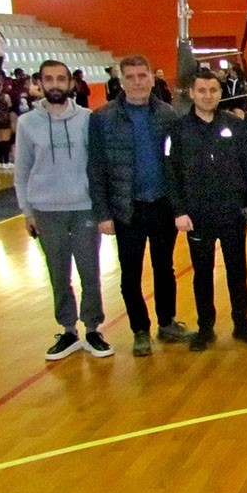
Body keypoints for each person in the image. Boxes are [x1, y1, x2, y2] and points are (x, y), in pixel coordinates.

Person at [88, 54, 190, 357]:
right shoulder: (102, 118)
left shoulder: (168, 114)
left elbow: (178, 163)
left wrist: (179, 205)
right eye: (130, 77)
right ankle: (140, 330)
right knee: (130, 274)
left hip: (162, 205)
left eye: (142, 76)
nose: (136, 82)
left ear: (151, 78)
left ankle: (167, 322)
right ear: (121, 81)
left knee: (164, 268)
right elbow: (96, 168)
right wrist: (103, 213)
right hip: (126, 208)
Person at [14, 59, 113, 360]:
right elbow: (22, 170)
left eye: (61, 79)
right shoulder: (27, 123)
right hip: (46, 211)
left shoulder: (87, 119)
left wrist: (102, 208)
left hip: (84, 208)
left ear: (70, 83)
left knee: (90, 271)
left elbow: (98, 166)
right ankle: (68, 331)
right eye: (49, 79)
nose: (55, 84)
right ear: (40, 83)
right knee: (58, 273)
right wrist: (27, 212)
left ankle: (93, 329)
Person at [165, 69, 247, 352]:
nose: (207, 95)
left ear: (220, 93)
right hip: (197, 215)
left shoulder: (236, 126)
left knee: (237, 272)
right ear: (192, 93)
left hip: (232, 213)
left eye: (213, 90)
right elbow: (171, 174)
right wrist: (179, 211)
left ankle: (241, 324)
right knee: (202, 274)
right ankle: (205, 328)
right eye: (202, 90)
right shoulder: (178, 130)